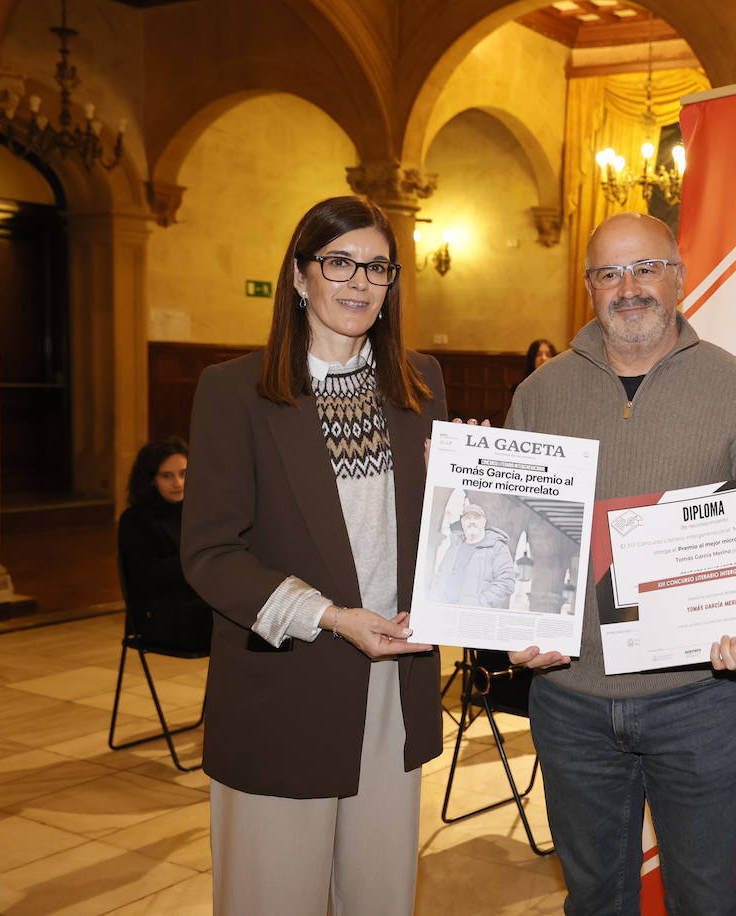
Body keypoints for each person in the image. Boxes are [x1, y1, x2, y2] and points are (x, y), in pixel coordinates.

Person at [505, 211, 736, 914]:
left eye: (645, 269)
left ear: (680, 277)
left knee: (705, 898)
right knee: (595, 898)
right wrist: (505, 620)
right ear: (589, 288)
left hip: (697, 703)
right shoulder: (539, 394)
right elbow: (509, 535)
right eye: (609, 273)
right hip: (570, 700)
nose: (628, 288)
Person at [181, 196, 448, 915]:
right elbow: (211, 553)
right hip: (284, 689)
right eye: (340, 263)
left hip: (394, 685)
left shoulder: (421, 386)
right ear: (300, 278)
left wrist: (468, 485)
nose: (360, 283)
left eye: (377, 267)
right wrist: (329, 616)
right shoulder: (234, 390)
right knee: (273, 897)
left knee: (379, 897)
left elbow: (442, 537)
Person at [117, 437, 212, 654]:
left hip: (197, 605)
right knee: (233, 619)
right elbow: (148, 579)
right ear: (151, 479)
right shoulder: (135, 520)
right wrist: (198, 554)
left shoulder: (197, 510)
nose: (178, 483)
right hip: (161, 617)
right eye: (166, 476)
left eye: (184, 473)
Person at [427, 500, 517, 607]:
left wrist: (480, 604)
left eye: (476, 518)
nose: (472, 521)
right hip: (444, 612)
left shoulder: (497, 547)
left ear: (484, 522)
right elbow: (439, 576)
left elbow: (506, 582)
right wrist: (434, 599)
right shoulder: (455, 546)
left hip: (472, 616)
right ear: (462, 523)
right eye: (467, 518)